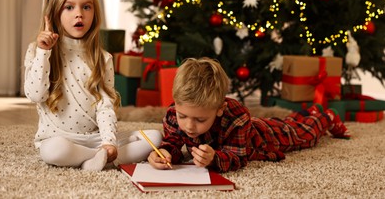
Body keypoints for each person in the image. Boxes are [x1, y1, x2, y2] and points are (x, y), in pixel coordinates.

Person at [24, 0, 161, 171]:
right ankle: (95, 159)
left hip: (95, 138)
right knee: (52, 151)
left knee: (154, 137)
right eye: (69, 7)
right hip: (59, 139)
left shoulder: (102, 57)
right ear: (53, 14)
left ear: (94, 13)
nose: (79, 14)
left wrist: (109, 142)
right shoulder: (38, 50)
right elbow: (35, 95)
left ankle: (98, 157)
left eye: (86, 7)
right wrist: (44, 52)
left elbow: (105, 105)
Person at [147, 57, 350, 173]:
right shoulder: (175, 114)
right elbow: (173, 140)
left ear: (220, 108)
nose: (189, 126)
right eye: (184, 116)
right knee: (286, 121)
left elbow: (238, 157)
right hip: (252, 128)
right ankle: (308, 113)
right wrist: (164, 152)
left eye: (200, 120)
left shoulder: (235, 116)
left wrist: (214, 159)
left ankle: (326, 117)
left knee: (303, 134)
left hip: (263, 138)